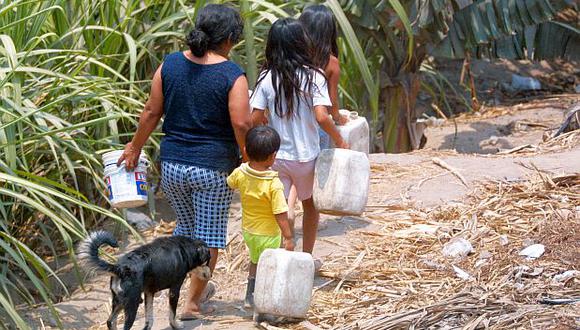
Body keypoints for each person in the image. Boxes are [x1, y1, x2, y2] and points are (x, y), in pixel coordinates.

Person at [117, 4, 251, 319]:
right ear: (230, 38)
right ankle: (191, 303)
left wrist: (135, 147)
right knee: (209, 236)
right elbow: (242, 124)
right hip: (212, 167)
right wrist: (247, 160)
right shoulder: (233, 75)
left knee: (187, 231)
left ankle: (184, 291)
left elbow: (151, 111)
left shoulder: (171, 65)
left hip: (173, 166)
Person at [250, 18, 348, 260]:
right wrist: (340, 140)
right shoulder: (313, 76)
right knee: (310, 206)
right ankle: (306, 256)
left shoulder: (266, 77)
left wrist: (268, 126)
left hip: (276, 157)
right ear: (301, 43)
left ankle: (281, 250)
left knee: (278, 207)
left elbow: (254, 119)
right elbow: (322, 116)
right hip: (306, 157)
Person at [284, 6, 350, 226]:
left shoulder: (291, 57)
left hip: (290, 120)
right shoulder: (330, 63)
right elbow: (330, 105)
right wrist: (340, 120)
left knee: (291, 166)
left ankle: (288, 207)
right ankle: (309, 219)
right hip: (315, 126)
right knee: (309, 174)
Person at [227, 126, 294, 308]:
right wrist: (288, 237)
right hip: (269, 235)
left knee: (255, 260)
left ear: (246, 150)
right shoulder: (274, 183)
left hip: (249, 231)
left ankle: (250, 295)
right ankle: (266, 301)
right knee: (270, 266)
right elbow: (280, 212)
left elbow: (230, 183)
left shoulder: (241, 173)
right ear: (273, 156)